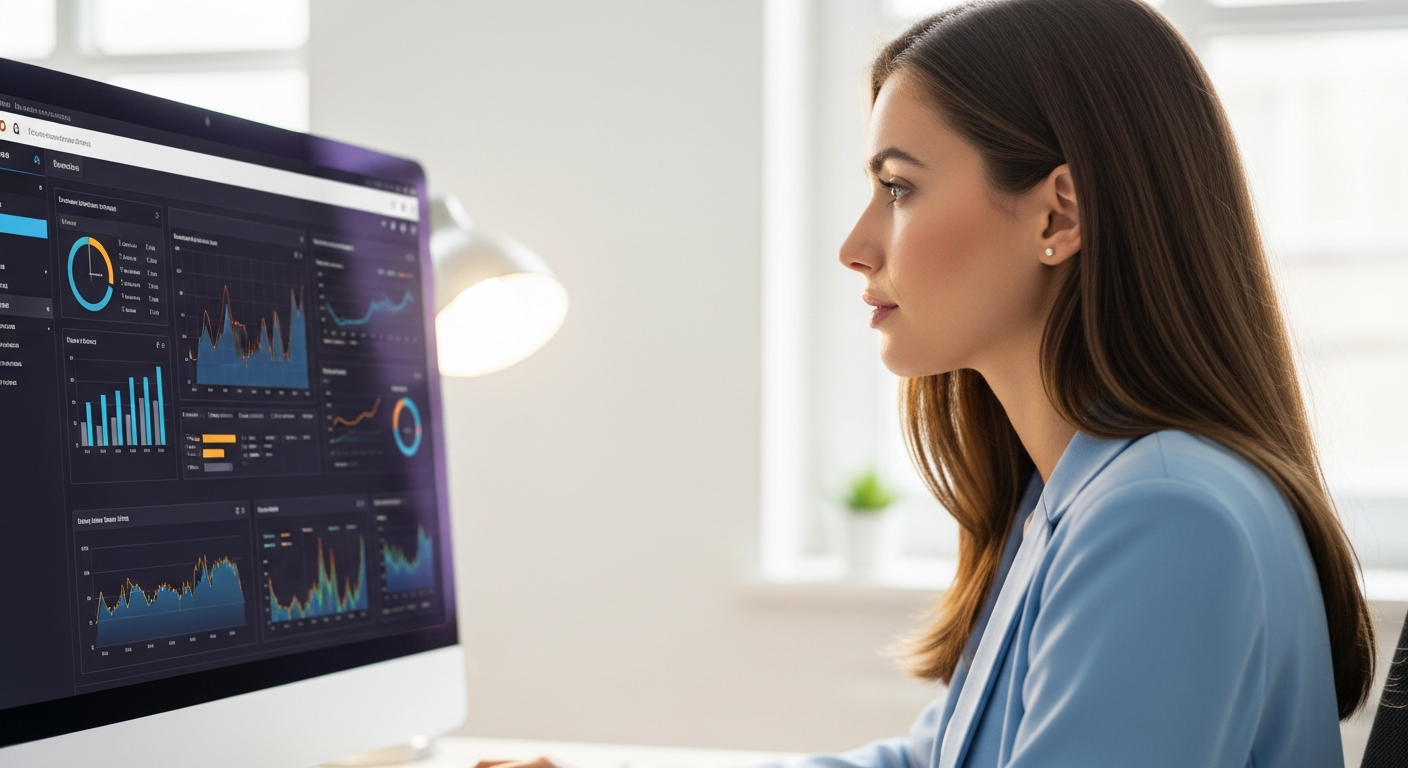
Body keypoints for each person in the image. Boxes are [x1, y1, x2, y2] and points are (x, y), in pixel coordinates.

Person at [478, 0, 1373, 766]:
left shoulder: (1165, 518)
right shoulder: (1072, 495)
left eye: (899, 188)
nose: (855, 245)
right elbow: (925, 760)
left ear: (1058, 214)